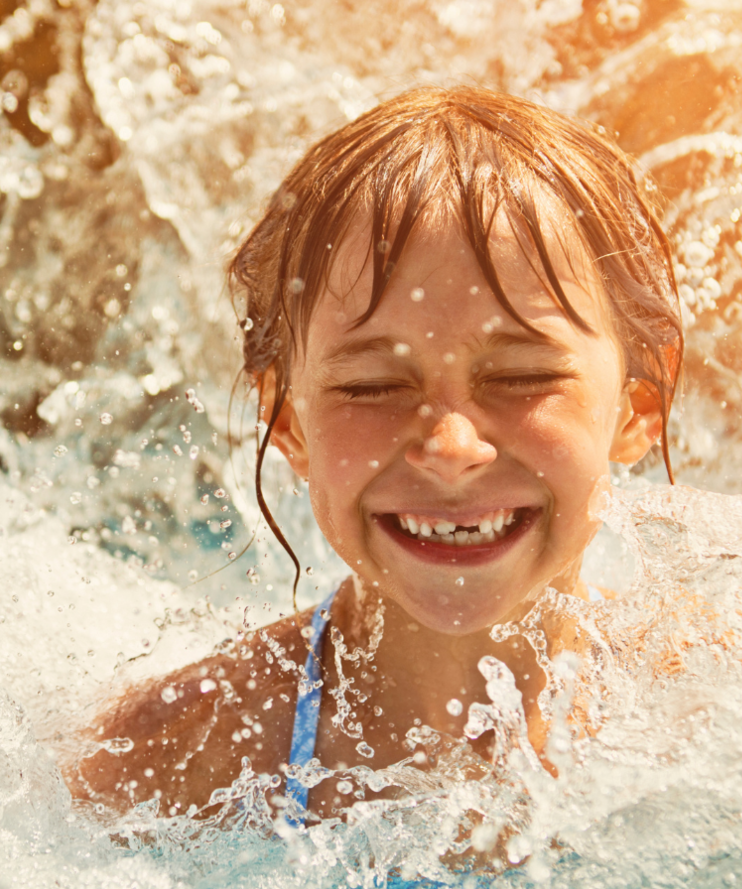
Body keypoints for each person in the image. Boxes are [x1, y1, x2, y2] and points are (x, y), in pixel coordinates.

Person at [64, 86, 683, 826]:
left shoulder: (717, 705)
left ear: (638, 407)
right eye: (373, 384)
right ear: (287, 420)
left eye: (520, 377)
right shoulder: (168, 764)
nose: (450, 448)